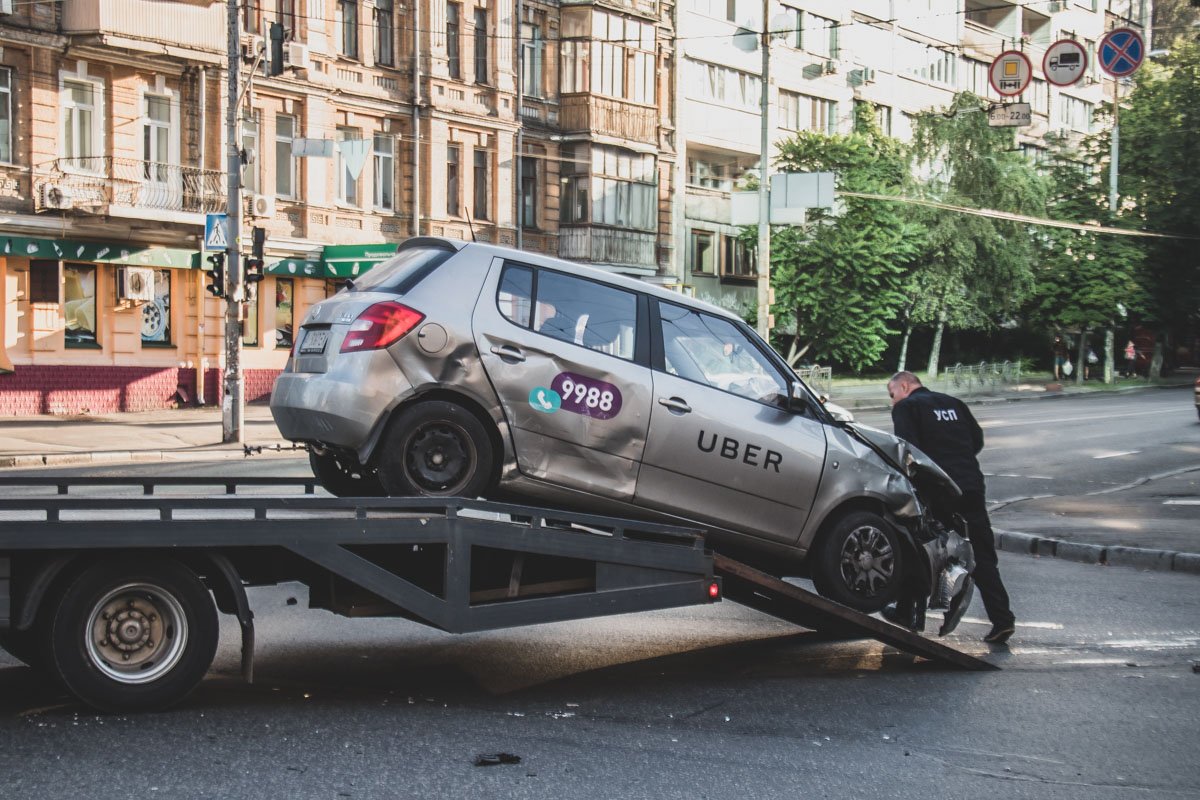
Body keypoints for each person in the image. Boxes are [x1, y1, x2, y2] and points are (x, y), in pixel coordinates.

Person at [886, 371, 1016, 645]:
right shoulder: (953, 403)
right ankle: (1002, 620)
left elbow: (907, 450)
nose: (891, 401)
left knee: (920, 549)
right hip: (971, 486)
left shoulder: (907, 407)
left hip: (939, 490)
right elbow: (976, 441)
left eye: (892, 394)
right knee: (982, 555)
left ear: (905, 386)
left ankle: (907, 613)